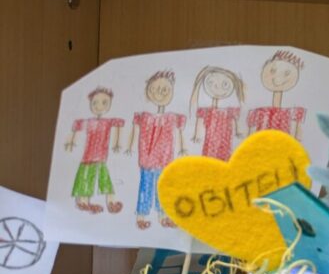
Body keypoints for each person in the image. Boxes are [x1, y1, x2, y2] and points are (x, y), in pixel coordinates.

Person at [122, 70, 186, 229]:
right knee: (145, 187)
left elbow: (179, 132)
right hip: (147, 159)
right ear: (148, 92)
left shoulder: (172, 117)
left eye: (165, 90)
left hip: (165, 159)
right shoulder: (144, 116)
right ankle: (141, 216)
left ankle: (163, 215)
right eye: (155, 89)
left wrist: (182, 148)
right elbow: (134, 129)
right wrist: (129, 146)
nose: (160, 93)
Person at [65, 87, 124, 214]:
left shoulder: (107, 122)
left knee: (104, 179)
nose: (99, 106)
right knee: (86, 179)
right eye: (95, 103)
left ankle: (111, 202)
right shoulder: (89, 122)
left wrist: (116, 142)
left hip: (101, 157)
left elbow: (120, 123)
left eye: (104, 103)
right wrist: (71, 140)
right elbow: (76, 125)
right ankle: (83, 202)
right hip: (88, 157)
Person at [247, 49, 306, 138]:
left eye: (287, 73)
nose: (278, 78)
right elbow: (250, 136)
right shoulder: (259, 113)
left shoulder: (293, 113)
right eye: (273, 71)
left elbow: (298, 136)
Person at [190, 66, 245, 160]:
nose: (217, 87)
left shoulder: (229, 111)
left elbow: (235, 120)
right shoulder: (206, 111)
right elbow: (199, 121)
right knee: (209, 157)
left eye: (225, 84)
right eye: (211, 83)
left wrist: (238, 131)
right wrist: (197, 135)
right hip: (210, 141)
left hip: (225, 140)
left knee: (224, 156)